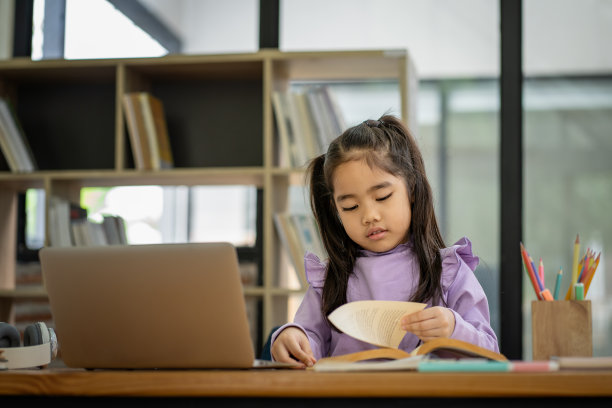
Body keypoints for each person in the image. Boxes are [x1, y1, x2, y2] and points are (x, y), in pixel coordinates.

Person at [270, 114, 499, 367]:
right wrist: (293, 336)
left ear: (411, 189)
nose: (369, 216)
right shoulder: (331, 279)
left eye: (382, 197)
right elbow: (309, 341)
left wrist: (454, 328)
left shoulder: (449, 271)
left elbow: (491, 354)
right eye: (350, 206)